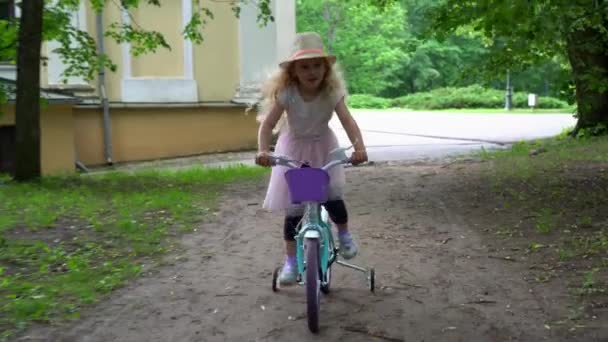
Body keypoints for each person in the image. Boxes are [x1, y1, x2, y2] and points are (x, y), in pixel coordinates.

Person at [255, 32, 368, 285]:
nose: (311, 71)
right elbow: (267, 125)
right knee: (294, 211)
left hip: (323, 148)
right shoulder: (288, 94)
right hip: (294, 151)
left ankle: (345, 235)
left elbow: (347, 121)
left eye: (317, 65)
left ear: (325, 69)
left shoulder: (331, 93)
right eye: (304, 66)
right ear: (294, 71)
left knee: (331, 198)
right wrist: (263, 151)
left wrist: (359, 147)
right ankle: (291, 263)